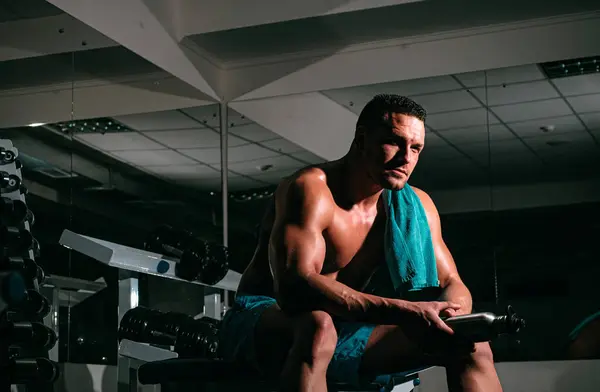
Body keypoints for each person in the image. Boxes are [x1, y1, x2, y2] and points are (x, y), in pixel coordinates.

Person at [219, 94, 503, 392]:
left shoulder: (416, 205)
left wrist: (448, 316)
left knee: (470, 341)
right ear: (361, 139)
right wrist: (406, 311)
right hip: (267, 318)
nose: (406, 158)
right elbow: (295, 289)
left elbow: (452, 281)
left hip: (346, 324)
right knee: (317, 326)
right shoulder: (311, 189)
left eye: (416, 148)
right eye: (394, 142)